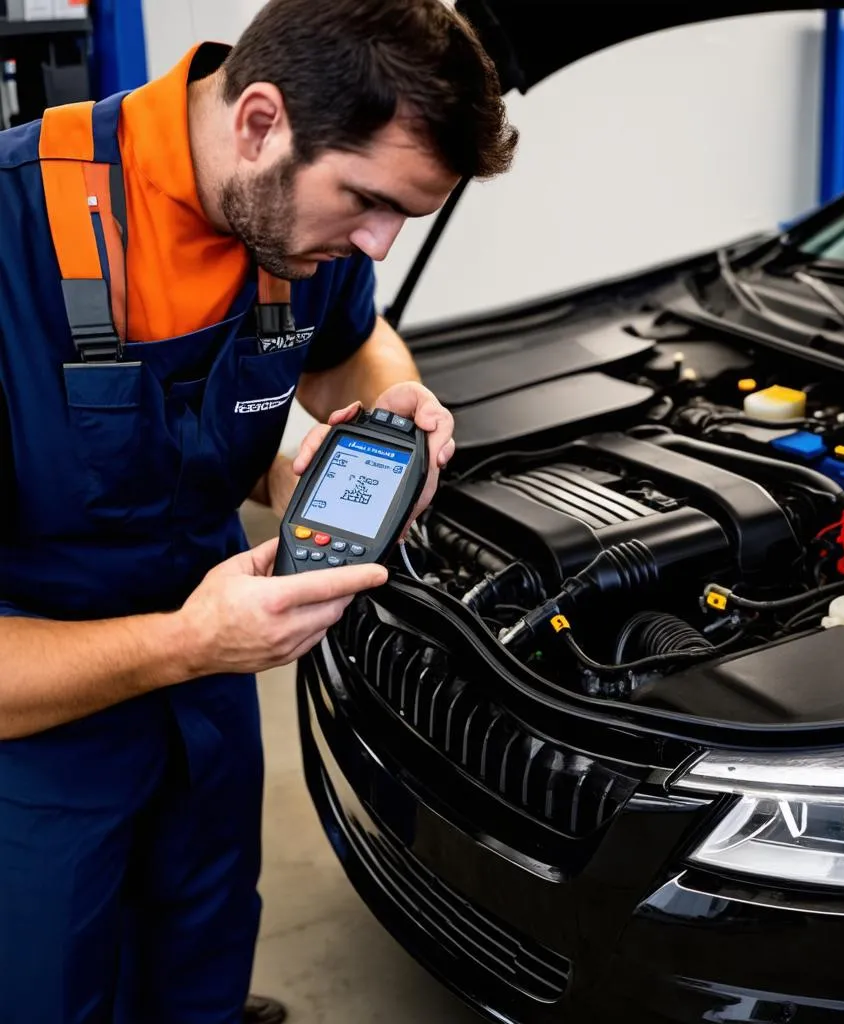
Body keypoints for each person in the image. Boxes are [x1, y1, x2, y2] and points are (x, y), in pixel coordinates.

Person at [0, 0, 518, 1020]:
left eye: (405, 218)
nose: (375, 245)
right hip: (36, 720)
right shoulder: (12, 240)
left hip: (214, 683)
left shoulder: (292, 229)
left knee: (201, 945)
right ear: (259, 122)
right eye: (367, 201)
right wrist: (183, 643)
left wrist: (392, 403)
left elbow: (352, 349)